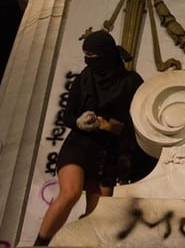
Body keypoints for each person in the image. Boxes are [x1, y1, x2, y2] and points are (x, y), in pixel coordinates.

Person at [34, 30, 144, 246]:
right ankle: (40, 244)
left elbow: (141, 121)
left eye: (94, 57)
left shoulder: (131, 82)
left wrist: (118, 128)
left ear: (107, 56)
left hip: (108, 153)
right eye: (87, 56)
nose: (89, 62)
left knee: (98, 215)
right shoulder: (84, 78)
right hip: (79, 146)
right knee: (70, 193)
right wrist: (79, 122)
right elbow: (67, 115)